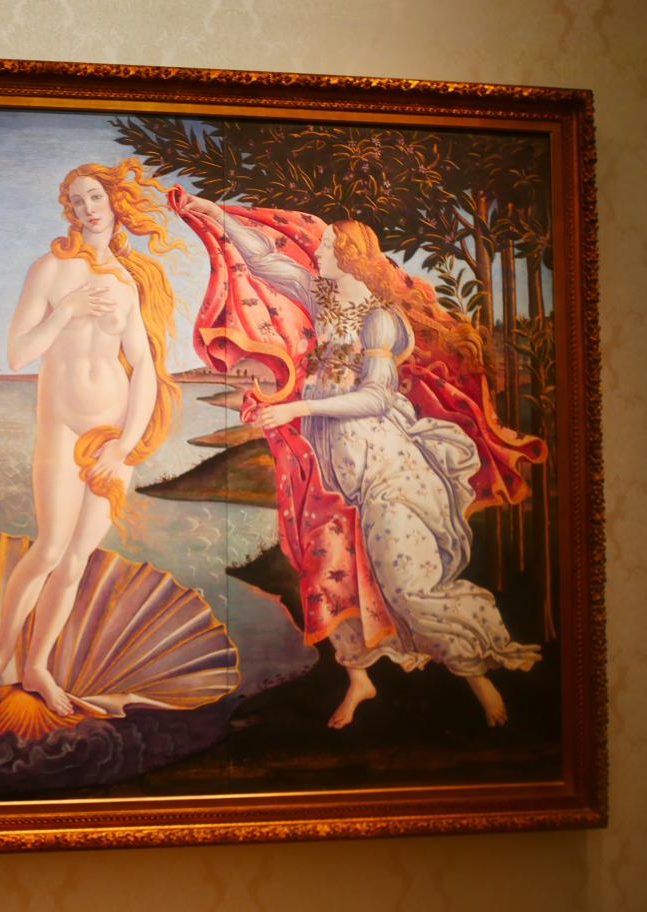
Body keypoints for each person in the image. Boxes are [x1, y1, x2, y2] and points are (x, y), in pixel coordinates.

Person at [173, 191, 547, 727]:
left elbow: (375, 397)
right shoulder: (322, 296)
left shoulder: (379, 319)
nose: (316, 250)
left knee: (406, 582)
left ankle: (477, 677)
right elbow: (263, 261)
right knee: (330, 573)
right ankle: (359, 680)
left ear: (349, 257)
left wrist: (297, 406)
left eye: (327, 245)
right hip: (329, 463)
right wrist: (216, 216)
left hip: (383, 463)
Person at [0, 159, 183, 715]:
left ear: (114, 202)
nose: (87, 210)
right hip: (61, 427)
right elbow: (18, 354)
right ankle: (0, 651)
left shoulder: (130, 280)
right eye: (77, 201)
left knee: (78, 557)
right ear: (69, 210)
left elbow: (144, 367)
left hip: (113, 431)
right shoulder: (50, 270)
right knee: (51, 547)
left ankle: (37, 667)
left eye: (96, 198)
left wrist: (125, 444)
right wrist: (68, 310)